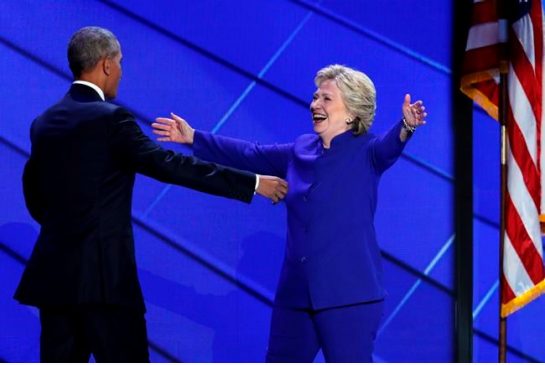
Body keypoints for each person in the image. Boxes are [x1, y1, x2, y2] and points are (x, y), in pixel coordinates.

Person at [14, 26, 287, 363]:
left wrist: (65, 229)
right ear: (107, 66)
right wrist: (253, 182)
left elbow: (34, 193)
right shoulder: (112, 119)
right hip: (105, 282)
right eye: (121, 63)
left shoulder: (45, 122)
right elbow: (169, 165)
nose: (121, 73)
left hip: (54, 278)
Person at [152, 64, 427, 362]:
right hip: (295, 296)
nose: (314, 105)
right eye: (315, 97)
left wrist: (406, 126)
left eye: (326, 99)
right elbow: (250, 154)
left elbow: (391, 145)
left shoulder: (368, 152)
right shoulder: (300, 149)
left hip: (349, 298)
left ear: (352, 112)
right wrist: (194, 137)